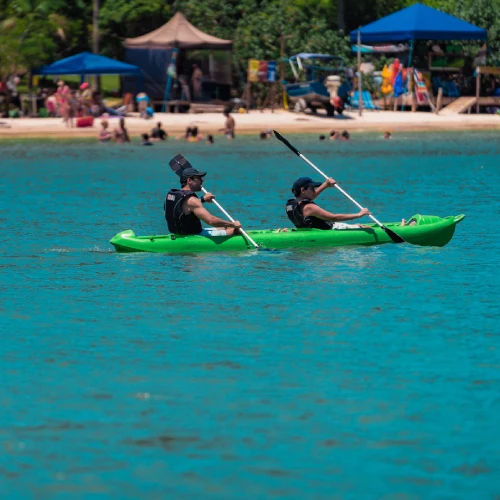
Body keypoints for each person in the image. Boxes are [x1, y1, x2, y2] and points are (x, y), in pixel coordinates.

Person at [164, 167, 241, 236]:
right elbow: (211, 221)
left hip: (178, 233)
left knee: (224, 227)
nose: (202, 180)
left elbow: (185, 207)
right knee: (233, 230)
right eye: (199, 178)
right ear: (189, 180)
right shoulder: (192, 200)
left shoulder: (173, 195)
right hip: (194, 235)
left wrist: (203, 199)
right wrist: (233, 224)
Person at [286, 177, 371, 230]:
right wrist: (359, 214)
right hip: (332, 229)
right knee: (365, 228)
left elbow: (311, 197)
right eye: (312, 188)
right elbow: (334, 217)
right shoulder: (310, 207)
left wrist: (325, 185)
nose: (314, 190)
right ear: (303, 190)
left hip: (306, 231)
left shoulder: (291, 204)